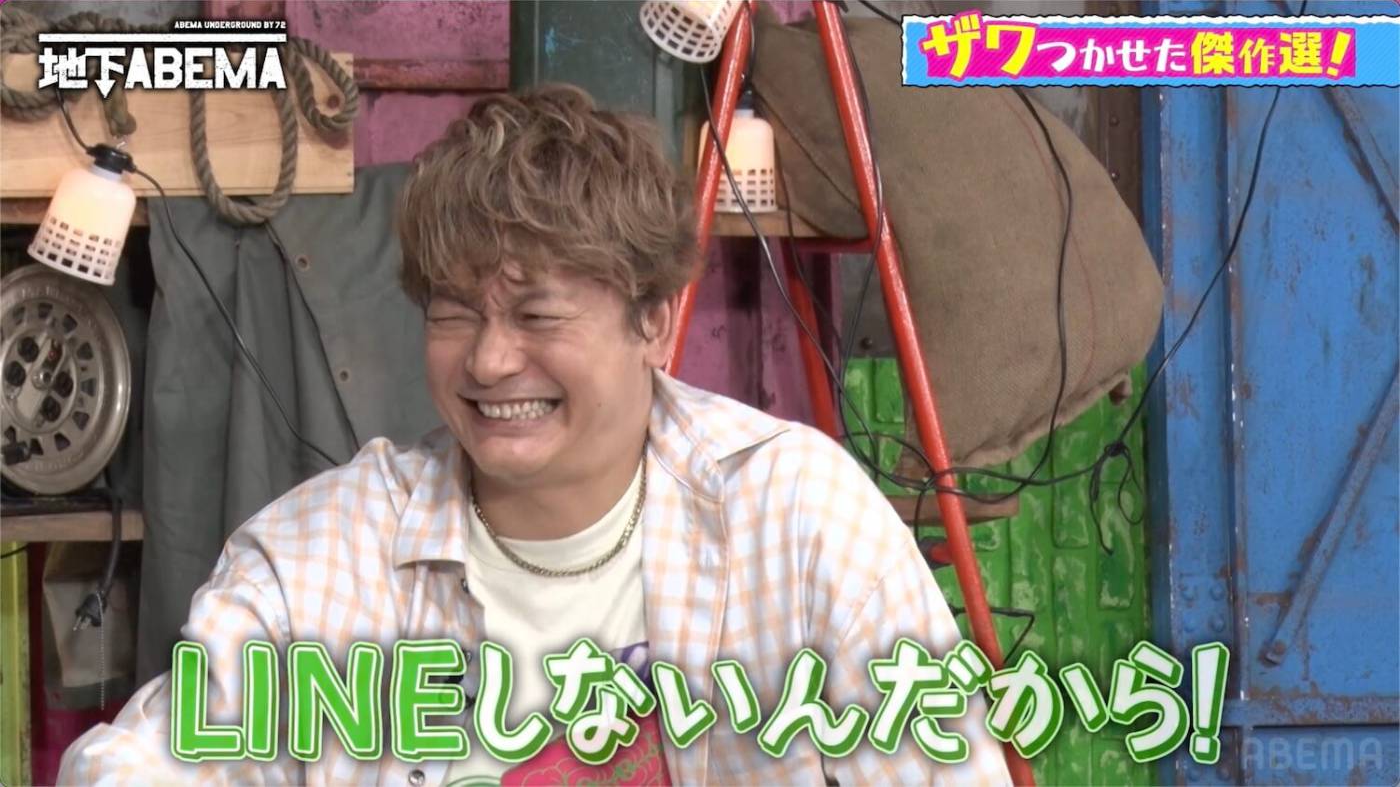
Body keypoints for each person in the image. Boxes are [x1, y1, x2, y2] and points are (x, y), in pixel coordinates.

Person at [60, 84, 1011, 786]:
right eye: (453, 314)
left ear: (653, 320)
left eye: (539, 316)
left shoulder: (799, 516)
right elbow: (140, 763)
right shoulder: (317, 556)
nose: (488, 361)